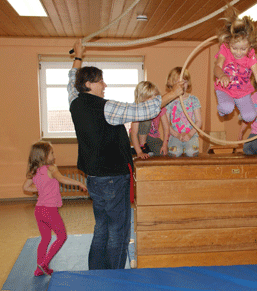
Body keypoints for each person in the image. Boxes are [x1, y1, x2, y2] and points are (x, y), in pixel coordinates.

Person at [68, 39, 184, 270]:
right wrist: (173, 93)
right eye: (101, 81)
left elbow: (71, 79)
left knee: (102, 227)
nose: (105, 85)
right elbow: (143, 110)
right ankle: (115, 278)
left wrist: (78, 56)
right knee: (118, 231)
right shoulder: (105, 107)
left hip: (93, 178)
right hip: (112, 177)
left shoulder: (75, 101)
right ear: (90, 84)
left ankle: (97, 274)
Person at [22, 141, 87, 276]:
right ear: (44, 155)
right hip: (49, 210)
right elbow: (61, 179)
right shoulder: (51, 168)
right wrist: (79, 183)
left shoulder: (34, 171)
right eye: (52, 153)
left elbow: (25, 187)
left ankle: (38, 270)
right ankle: (44, 263)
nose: (54, 155)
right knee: (61, 236)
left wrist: (39, 188)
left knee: (45, 239)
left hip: (39, 210)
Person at [214, 7, 257, 123]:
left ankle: (242, 111)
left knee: (250, 117)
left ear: (250, 46)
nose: (238, 52)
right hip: (225, 89)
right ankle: (222, 110)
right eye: (235, 48)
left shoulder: (250, 56)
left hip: (242, 92)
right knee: (227, 107)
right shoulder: (225, 49)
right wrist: (221, 75)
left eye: (243, 49)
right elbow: (217, 67)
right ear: (229, 43)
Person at [165, 67, 202, 157]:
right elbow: (166, 123)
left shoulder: (193, 100)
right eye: (177, 82)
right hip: (175, 135)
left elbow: (199, 121)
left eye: (184, 82)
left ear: (188, 83)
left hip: (191, 135)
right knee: (175, 152)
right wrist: (177, 135)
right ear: (172, 84)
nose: (181, 85)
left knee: (190, 152)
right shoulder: (169, 101)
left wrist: (189, 134)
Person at [130, 81, 169, 159]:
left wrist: (164, 145)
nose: (153, 99)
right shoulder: (137, 109)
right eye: (150, 97)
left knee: (162, 153)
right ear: (142, 99)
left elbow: (166, 127)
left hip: (152, 137)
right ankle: (141, 147)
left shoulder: (161, 108)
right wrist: (139, 152)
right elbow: (134, 133)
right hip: (137, 136)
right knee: (147, 119)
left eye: (155, 96)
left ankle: (144, 149)